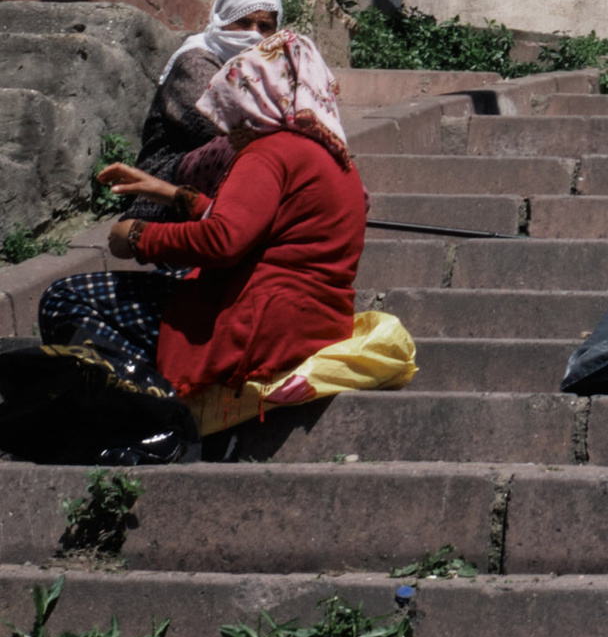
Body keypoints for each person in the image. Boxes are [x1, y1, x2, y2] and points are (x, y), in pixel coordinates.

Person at [40, 35, 367, 457]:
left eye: (237, 114)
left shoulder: (269, 153)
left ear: (261, 101)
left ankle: (159, 426)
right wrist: (173, 195)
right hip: (310, 322)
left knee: (65, 299)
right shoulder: (329, 158)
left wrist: (139, 237)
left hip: (258, 326)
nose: (230, 131)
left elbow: (225, 239)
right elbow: (263, 223)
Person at [137, 0, 282, 175]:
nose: (253, 33)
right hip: (169, 178)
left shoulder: (271, 73)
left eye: (264, 26)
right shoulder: (195, 61)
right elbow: (217, 131)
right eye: (243, 22)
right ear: (222, 20)